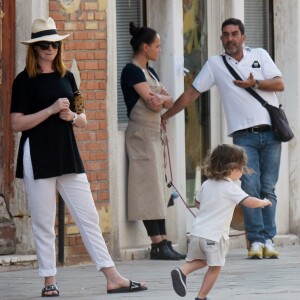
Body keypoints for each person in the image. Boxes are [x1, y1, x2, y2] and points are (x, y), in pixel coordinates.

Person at [10, 17, 147, 297]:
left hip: (67, 153)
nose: (51, 49)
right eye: (44, 44)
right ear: (35, 49)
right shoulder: (24, 80)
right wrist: (49, 111)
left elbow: (83, 117)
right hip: (36, 154)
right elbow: (16, 124)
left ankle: (112, 277)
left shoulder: (67, 77)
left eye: (55, 44)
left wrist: (72, 116)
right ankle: (49, 281)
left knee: (88, 217)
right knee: (44, 222)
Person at [162, 18, 284, 259]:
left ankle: (269, 238)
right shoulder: (216, 65)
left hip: (271, 132)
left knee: (268, 188)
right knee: (250, 186)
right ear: (221, 39)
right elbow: (192, 92)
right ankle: (256, 240)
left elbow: (279, 84)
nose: (230, 39)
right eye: (226, 35)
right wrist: (167, 114)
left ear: (243, 37)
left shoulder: (259, 54)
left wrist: (255, 83)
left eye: (235, 34)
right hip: (243, 136)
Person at [171, 144, 272, 300]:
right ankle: (201, 297)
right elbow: (248, 202)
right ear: (231, 169)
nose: (242, 172)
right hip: (214, 237)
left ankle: (182, 271)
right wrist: (262, 202)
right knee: (215, 267)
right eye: (241, 168)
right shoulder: (230, 187)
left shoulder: (206, 184)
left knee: (202, 261)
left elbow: (198, 204)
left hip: (197, 234)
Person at [120, 22, 185, 260]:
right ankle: (156, 243)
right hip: (141, 136)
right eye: (157, 46)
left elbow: (168, 100)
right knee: (148, 189)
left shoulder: (151, 72)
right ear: (145, 47)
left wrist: (162, 98)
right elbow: (152, 101)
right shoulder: (131, 71)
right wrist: (161, 98)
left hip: (154, 135)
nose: (159, 50)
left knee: (159, 189)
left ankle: (164, 240)